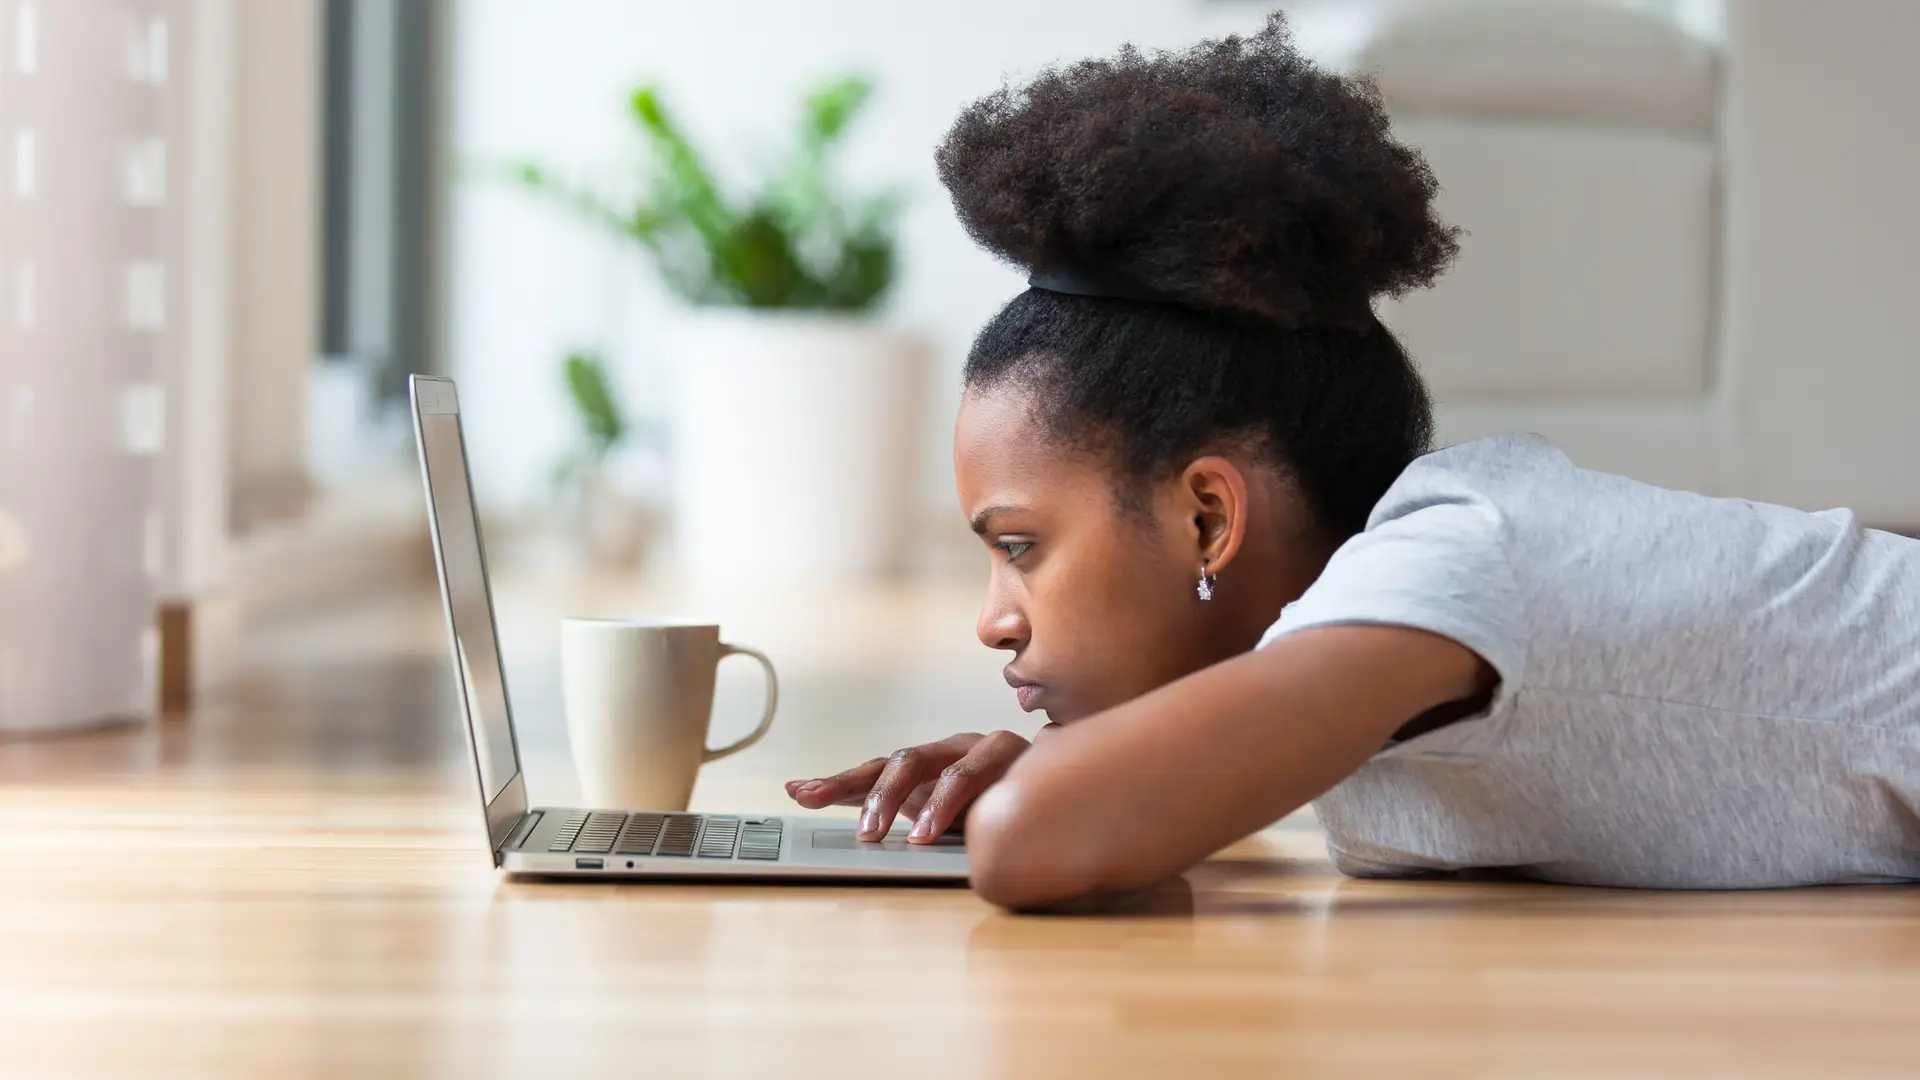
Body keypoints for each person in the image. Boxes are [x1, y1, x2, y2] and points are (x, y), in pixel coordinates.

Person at [784, 12, 1920, 909]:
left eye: (1021, 547)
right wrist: (1081, 777)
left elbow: (1035, 845)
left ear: (1207, 518)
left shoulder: (1450, 563)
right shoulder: (1364, 645)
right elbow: (1118, 829)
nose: (994, 620)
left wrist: (1042, 789)